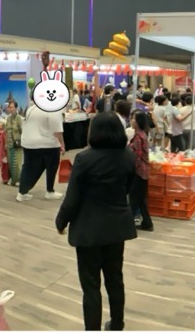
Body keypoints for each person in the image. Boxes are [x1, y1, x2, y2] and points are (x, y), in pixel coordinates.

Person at [55, 112, 138, 331]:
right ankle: (117, 323)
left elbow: (72, 198)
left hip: (88, 229)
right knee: (115, 278)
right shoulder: (128, 156)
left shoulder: (84, 159)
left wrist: (61, 221)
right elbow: (127, 188)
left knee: (91, 285)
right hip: (117, 226)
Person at [17, 98, 66, 202]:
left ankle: (22, 193)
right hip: (48, 143)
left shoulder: (31, 108)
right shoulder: (53, 110)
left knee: (28, 167)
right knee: (51, 166)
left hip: (28, 142)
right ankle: (50, 191)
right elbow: (57, 131)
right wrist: (62, 144)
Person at [126, 105, 155, 232]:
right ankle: (147, 223)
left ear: (139, 122)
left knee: (133, 199)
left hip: (139, 172)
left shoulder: (138, 137)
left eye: (133, 118)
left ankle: (126, 224)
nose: (131, 120)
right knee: (141, 199)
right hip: (143, 171)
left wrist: (132, 170)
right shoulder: (141, 135)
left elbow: (136, 157)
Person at [1, 100, 24, 188]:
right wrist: (6, 143)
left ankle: (19, 180)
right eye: (9, 107)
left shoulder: (19, 118)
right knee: (10, 163)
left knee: (17, 163)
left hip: (17, 144)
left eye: (12, 107)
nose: (10, 109)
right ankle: (13, 180)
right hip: (9, 144)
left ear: (16, 108)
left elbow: (22, 131)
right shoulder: (8, 118)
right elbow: (6, 132)